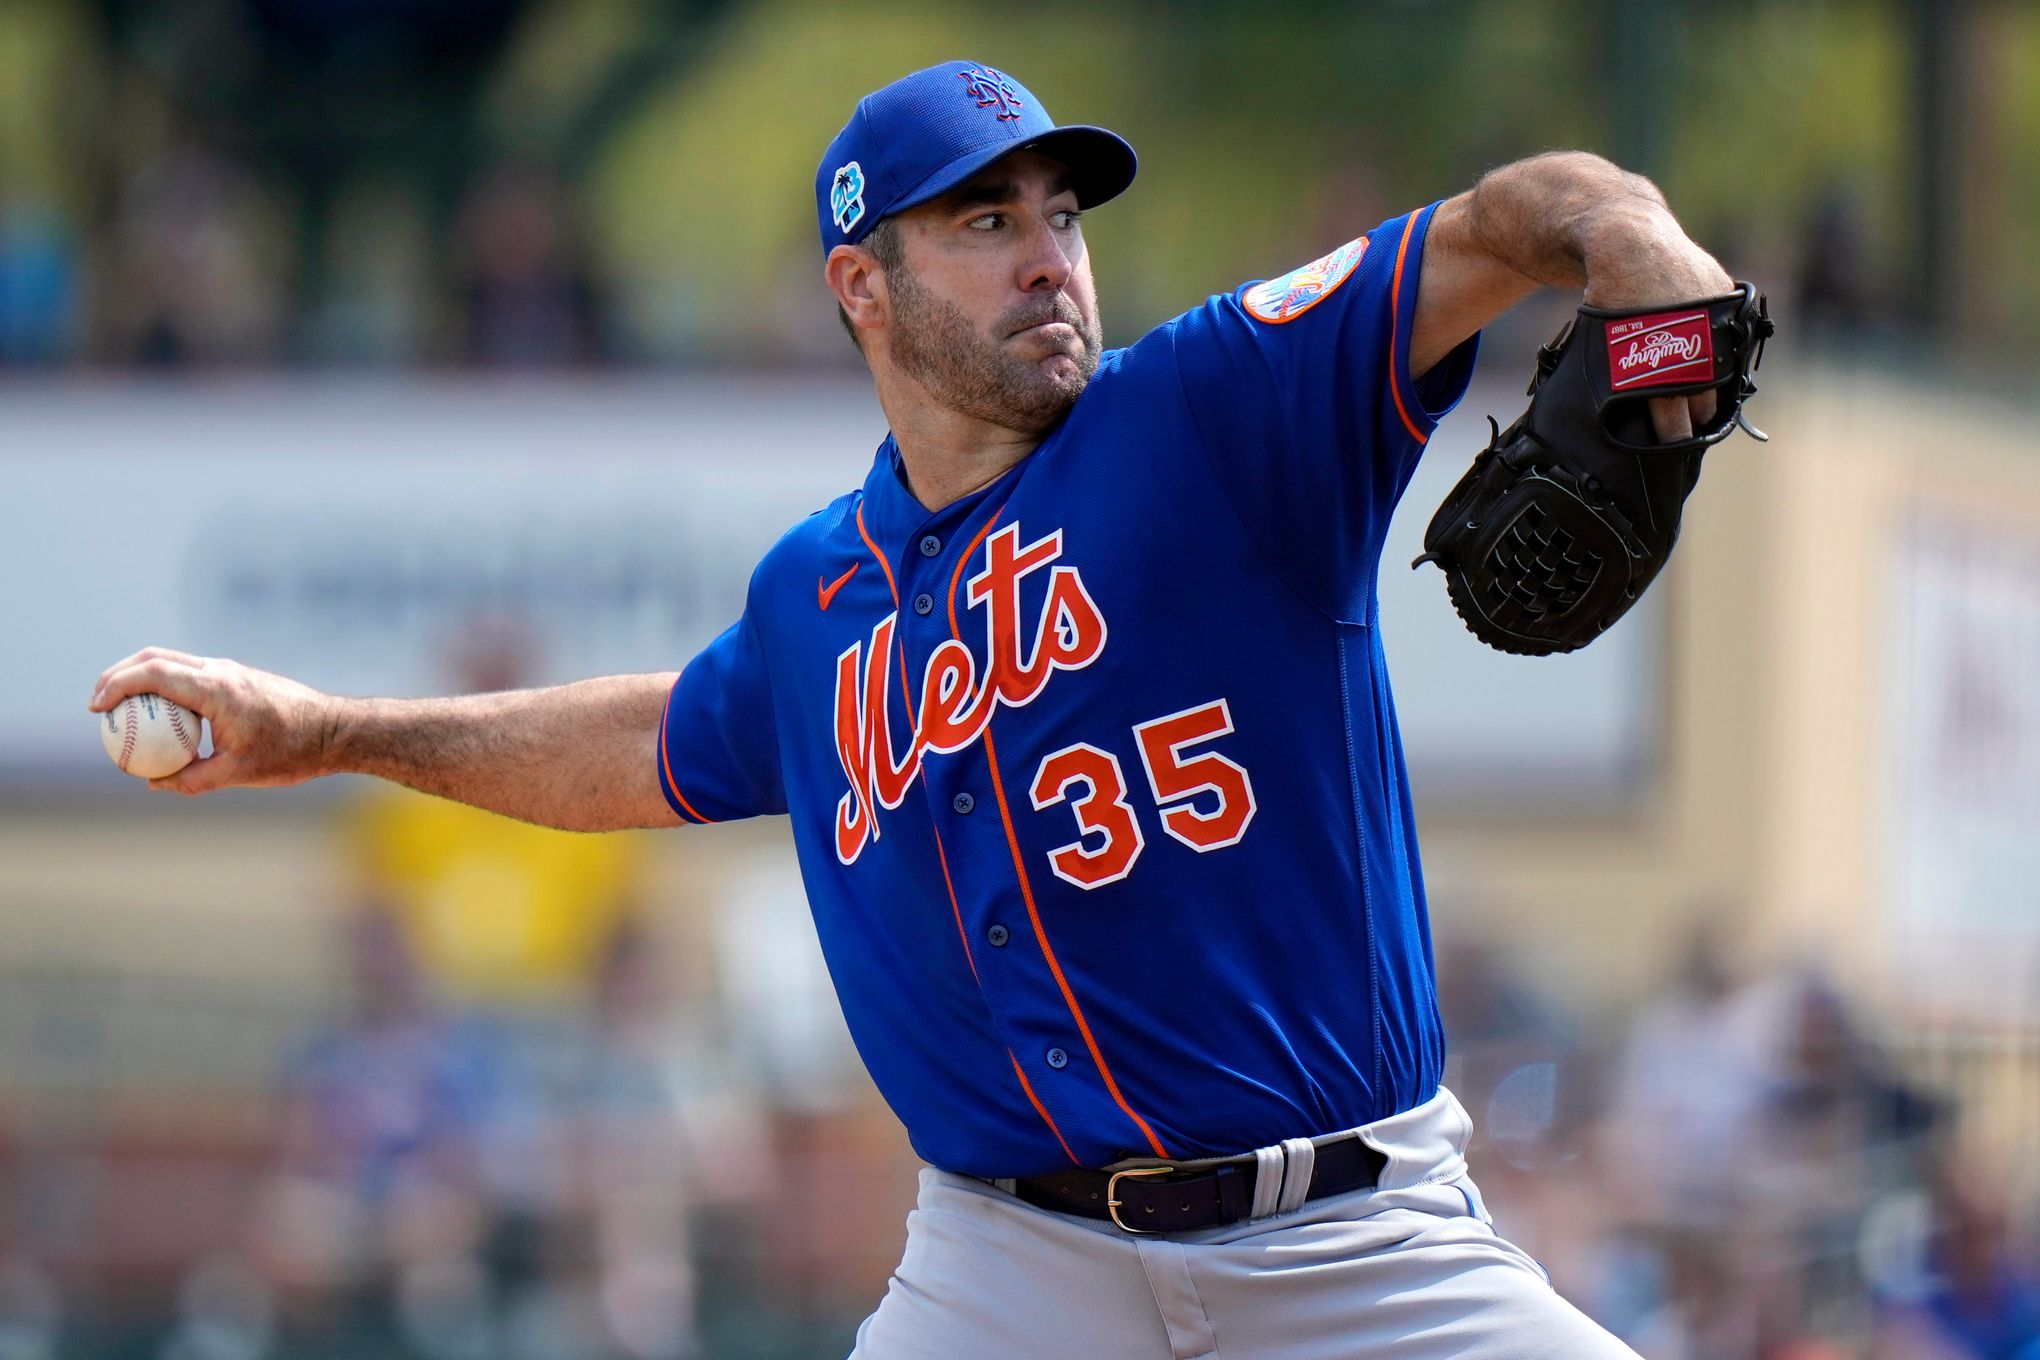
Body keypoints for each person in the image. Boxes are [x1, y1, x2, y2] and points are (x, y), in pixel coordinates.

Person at [93, 60, 1740, 1359]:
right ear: (861, 288)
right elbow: (645, 743)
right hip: (1014, 1269)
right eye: (982, 223)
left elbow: (1528, 216)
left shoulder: (1221, 406)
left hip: (1350, 1245)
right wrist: (324, 733)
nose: (1047, 258)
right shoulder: (820, 600)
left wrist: (1644, 259)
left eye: (1060, 215)